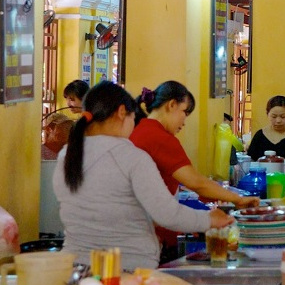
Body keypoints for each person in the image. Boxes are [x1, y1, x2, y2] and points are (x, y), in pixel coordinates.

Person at [54, 81, 234, 270]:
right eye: (133, 118)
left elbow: (106, 209)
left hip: (75, 267)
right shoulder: (131, 157)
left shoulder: (66, 155)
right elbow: (167, 214)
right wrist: (210, 220)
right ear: (122, 112)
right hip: (126, 269)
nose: (134, 126)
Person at [129, 81, 254, 207]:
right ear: (172, 105)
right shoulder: (159, 137)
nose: (184, 122)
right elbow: (196, 183)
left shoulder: (139, 129)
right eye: (185, 113)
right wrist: (238, 199)